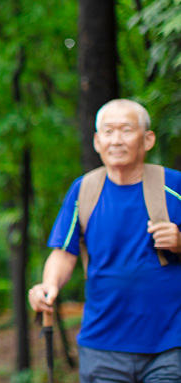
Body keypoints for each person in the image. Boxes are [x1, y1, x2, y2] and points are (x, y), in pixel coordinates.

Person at [28, 99, 181, 382]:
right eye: (108, 132)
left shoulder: (173, 186)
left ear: (147, 139)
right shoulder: (83, 190)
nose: (116, 140)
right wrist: (48, 285)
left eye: (126, 130)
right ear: (97, 142)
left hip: (170, 344)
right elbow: (64, 253)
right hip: (102, 346)